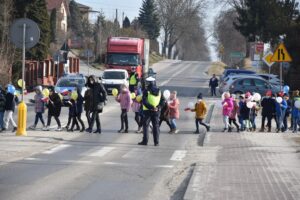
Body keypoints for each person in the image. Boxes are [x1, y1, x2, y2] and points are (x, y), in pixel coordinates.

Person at [138, 77, 161, 146]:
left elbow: (144, 101)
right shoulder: (159, 91)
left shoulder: (146, 91)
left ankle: (145, 141)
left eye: (147, 82)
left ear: (149, 83)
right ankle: (156, 142)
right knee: (156, 126)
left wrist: (151, 107)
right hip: (156, 111)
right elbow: (163, 101)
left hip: (147, 111)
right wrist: (158, 107)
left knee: (146, 126)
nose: (146, 84)